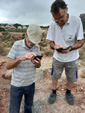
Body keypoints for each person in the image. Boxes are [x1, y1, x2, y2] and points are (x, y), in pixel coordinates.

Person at [46, 0, 84, 105]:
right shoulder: (53, 24)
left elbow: (81, 42)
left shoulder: (76, 21)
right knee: (54, 76)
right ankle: (53, 91)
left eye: (61, 17)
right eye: (55, 18)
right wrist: (55, 46)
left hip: (72, 58)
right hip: (57, 58)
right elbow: (51, 43)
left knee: (71, 78)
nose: (58, 21)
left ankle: (68, 92)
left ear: (66, 10)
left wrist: (70, 48)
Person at [6, 24, 42, 113]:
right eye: (31, 40)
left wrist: (37, 63)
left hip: (31, 84)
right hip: (17, 85)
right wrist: (21, 59)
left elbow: (38, 66)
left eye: (35, 42)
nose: (33, 44)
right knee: (14, 110)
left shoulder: (37, 47)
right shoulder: (16, 45)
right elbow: (8, 66)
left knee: (28, 108)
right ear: (26, 35)